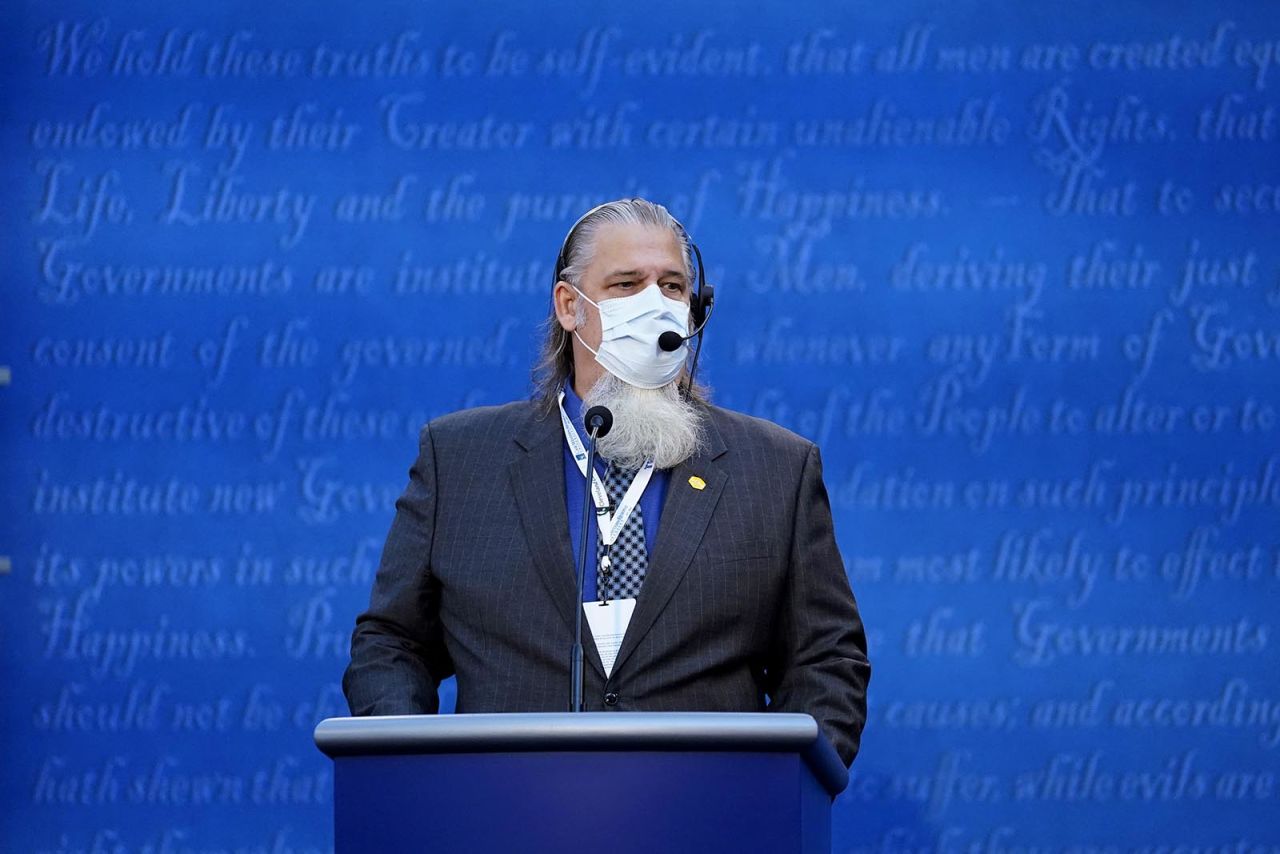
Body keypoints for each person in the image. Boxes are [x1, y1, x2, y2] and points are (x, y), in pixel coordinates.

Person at [343, 198, 871, 766]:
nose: (657, 304)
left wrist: (785, 786)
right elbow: (392, 644)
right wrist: (410, 772)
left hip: (708, 816)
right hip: (504, 813)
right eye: (627, 284)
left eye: (673, 286)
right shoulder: (459, 459)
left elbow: (827, 659)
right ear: (570, 307)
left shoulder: (776, 468)